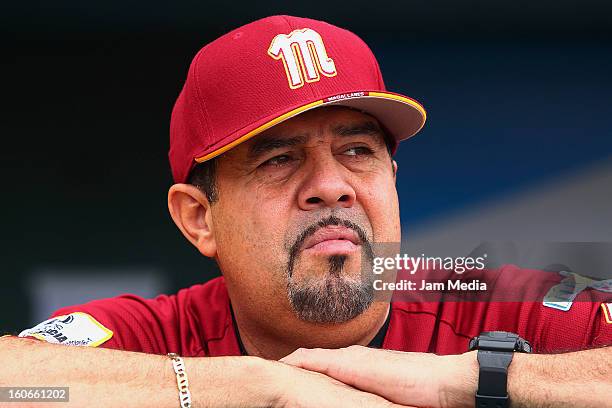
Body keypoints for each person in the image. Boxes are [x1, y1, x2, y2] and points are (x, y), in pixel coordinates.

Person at [2, 15, 611, 408]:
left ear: (392, 180)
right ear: (199, 218)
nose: (331, 186)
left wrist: (474, 379)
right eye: (279, 160)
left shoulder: (494, 299)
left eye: (357, 152)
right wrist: (263, 388)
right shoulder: (156, 337)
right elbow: (19, 383)